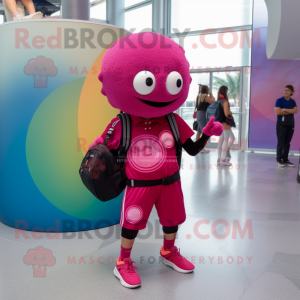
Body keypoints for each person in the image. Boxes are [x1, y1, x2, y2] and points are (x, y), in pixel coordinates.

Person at [88, 32, 223, 289]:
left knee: (172, 219)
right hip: (138, 186)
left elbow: (192, 149)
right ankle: (123, 262)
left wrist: (205, 134)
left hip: (170, 183)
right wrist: (98, 148)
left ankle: (168, 251)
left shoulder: (173, 120)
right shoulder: (122, 123)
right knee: (132, 223)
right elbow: (104, 149)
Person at [275, 85, 298, 167]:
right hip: (281, 124)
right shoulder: (279, 100)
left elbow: (295, 111)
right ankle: (279, 160)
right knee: (281, 143)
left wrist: (284, 109)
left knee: (287, 143)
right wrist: (290, 111)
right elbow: (278, 112)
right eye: (284, 90)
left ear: (292, 92)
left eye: (288, 90)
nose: (285, 92)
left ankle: (285, 160)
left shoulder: (293, 101)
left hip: (290, 124)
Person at [217, 86, 235, 166]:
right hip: (226, 123)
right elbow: (226, 113)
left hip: (219, 123)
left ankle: (219, 157)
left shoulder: (218, 101)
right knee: (225, 140)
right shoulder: (225, 102)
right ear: (225, 91)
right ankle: (223, 158)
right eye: (227, 91)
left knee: (223, 139)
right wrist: (230, 112)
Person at [195, 85, 215, 153]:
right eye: (208, 89)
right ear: (206, 90)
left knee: (199, 131)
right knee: (204, 132)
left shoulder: (200, 95)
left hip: (199, 114)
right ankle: (201, 148)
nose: (208, 90)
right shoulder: (205, 96)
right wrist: (211, 94)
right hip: (202, 114)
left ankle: (197, 147)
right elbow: (213, 101)